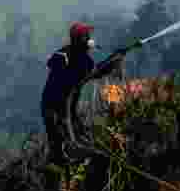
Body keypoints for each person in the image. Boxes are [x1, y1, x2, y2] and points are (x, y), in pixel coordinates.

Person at [40, 22, 122, 168]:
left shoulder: (84, 59)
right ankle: (59, 168)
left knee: (79, 134)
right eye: (86, 36)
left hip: (68, 107)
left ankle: (79, 161)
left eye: (88, 36)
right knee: (58, 142)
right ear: (79, 39)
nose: (89, 38)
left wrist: (113, 60)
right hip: (53, 106)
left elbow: (96, 72)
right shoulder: (65, 55)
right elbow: (55, 65)